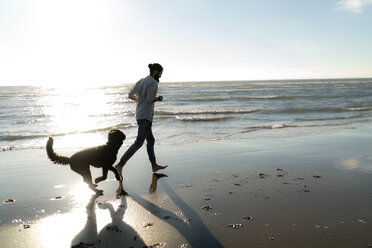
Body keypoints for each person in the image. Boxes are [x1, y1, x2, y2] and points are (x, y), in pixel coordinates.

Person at [115, 63, 167, 180]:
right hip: (146, 116)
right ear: (155, 71)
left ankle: (154, 165)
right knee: (139, 142)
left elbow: (130, 95)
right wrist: (158, 99)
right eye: (160, 72)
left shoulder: (141, 81)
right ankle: (120, 164)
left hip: (139, 114)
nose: (161, 75)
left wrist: (140, 101)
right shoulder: (153, 83)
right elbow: (149, 99)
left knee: (151, 140)